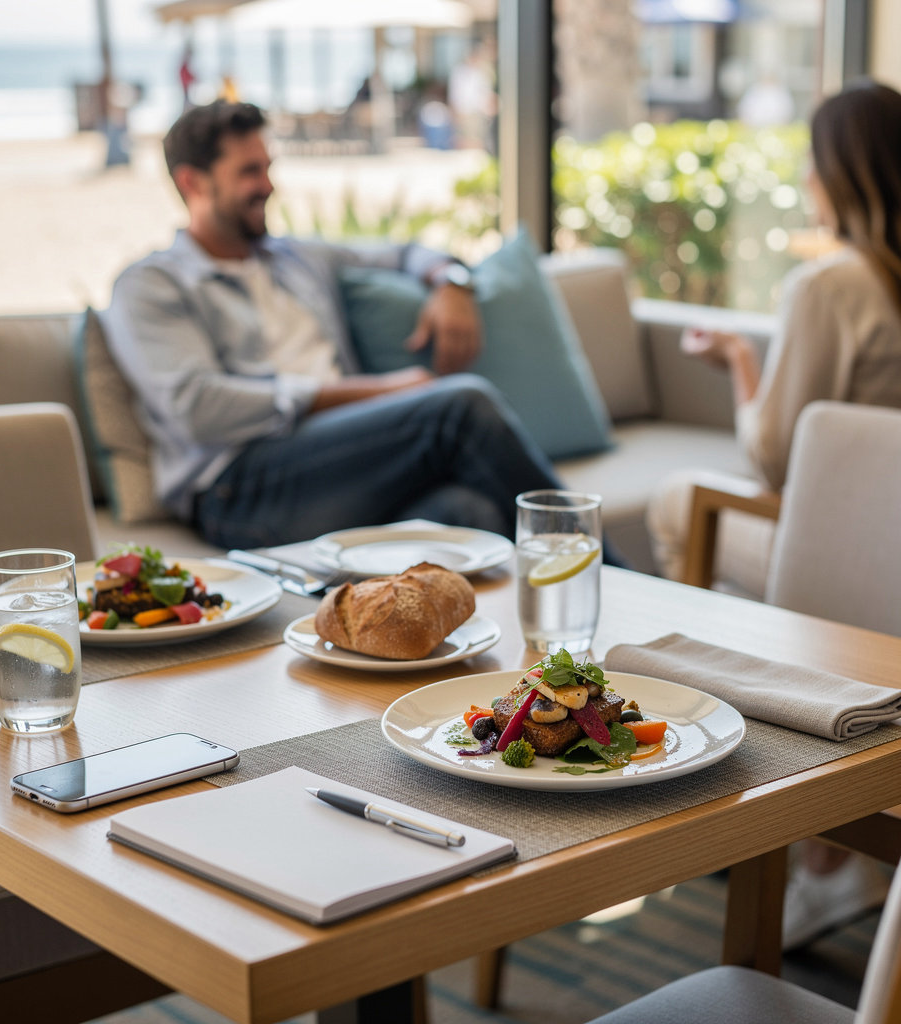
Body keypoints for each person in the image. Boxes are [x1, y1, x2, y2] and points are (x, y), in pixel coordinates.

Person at [647, 78, 901, 947]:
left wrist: (740, 365)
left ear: (839, 171)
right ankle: (835, 838)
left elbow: (777, 456)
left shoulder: (829, 286)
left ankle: (767, 821)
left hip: (849, 558)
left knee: (685, 502)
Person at [101, 100, 587, 553]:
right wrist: (373, 392)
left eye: (268, 167)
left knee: (467, 513)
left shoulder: (298, 257)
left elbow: (407, 252)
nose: (268, 185)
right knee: (460, 407)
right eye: (249, 172)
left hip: (342, 462)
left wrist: (452, 284)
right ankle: (614, 577)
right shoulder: (153, 284)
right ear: (193, 183)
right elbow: (197, 407)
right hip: (242, 488)